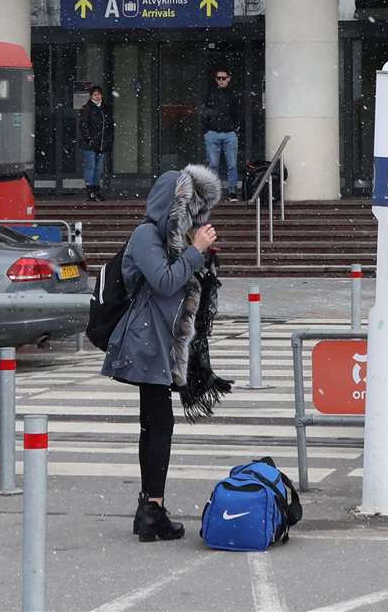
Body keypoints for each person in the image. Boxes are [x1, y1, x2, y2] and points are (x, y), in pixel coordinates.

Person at [102, 164, 223, 541]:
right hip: (146, 342)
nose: (192, 218)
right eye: (187, 210)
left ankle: (150, 508)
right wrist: (196, 251)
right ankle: (151, 508)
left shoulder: (169, 240)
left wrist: (199, 254)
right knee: (158, 424)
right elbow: (166, 282)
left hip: (161, 341)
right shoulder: (145, 235)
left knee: (155, 424)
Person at [199, 67, 245, 195]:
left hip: (229, 133)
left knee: (232, 165)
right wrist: (206, 130)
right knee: (213, 165)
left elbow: (239, 113)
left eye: (223, 78)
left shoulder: (234, 95)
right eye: (218, 78)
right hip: (213, 133)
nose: (221, 80)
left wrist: (236, 129)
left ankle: (232, 191)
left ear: (228, 79)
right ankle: (214, 191)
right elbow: (204, 113)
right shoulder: (210, 94)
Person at [76, 86, 113, 201]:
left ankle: (96, 190)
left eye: (99, 94)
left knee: (98, 168)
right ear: (91, 96)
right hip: (90, 144)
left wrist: (108, 141)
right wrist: (89, 139)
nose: (97, 96)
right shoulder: (87, 109)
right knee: (90, 166)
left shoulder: (105, 109)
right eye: (95, 94)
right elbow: (83, 126)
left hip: (102, 144)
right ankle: (90, 190)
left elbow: (109, 127)